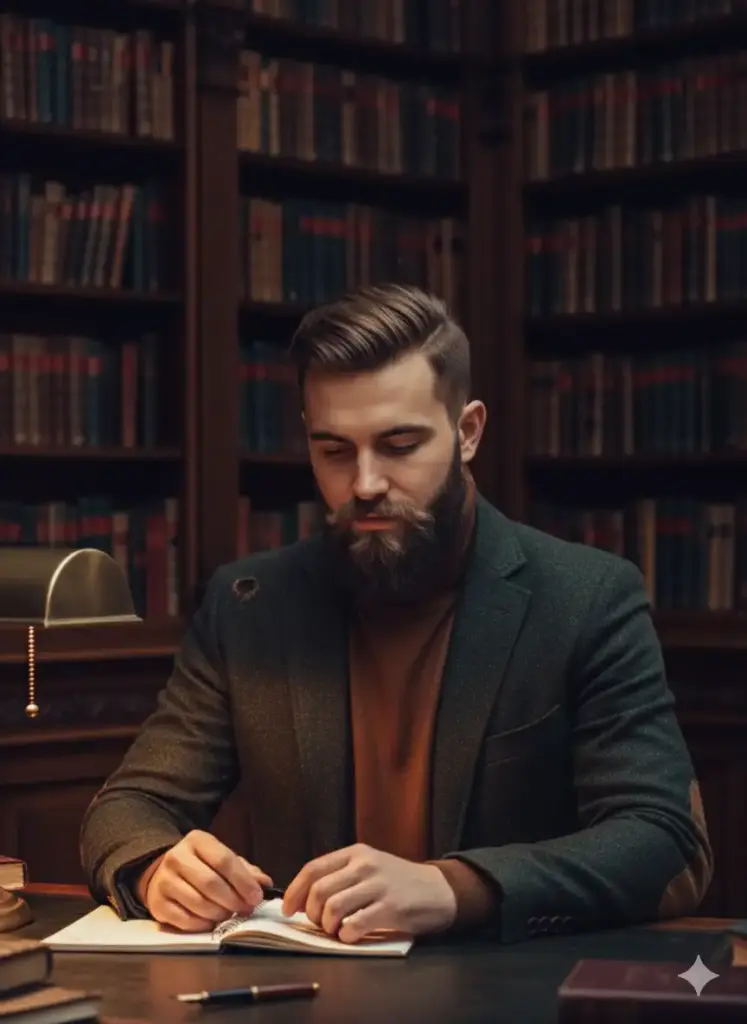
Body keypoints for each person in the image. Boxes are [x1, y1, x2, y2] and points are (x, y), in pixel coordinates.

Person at [80, 284, 713, 945]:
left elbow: (654, 834)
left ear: (467, 432)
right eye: (333, 451)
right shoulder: (250, 606)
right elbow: (128, 807)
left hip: (499, 995)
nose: (364, 483)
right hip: (302, 995)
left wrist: (451, 886)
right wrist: (155, 867)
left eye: (399, 445)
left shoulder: (586, 597)